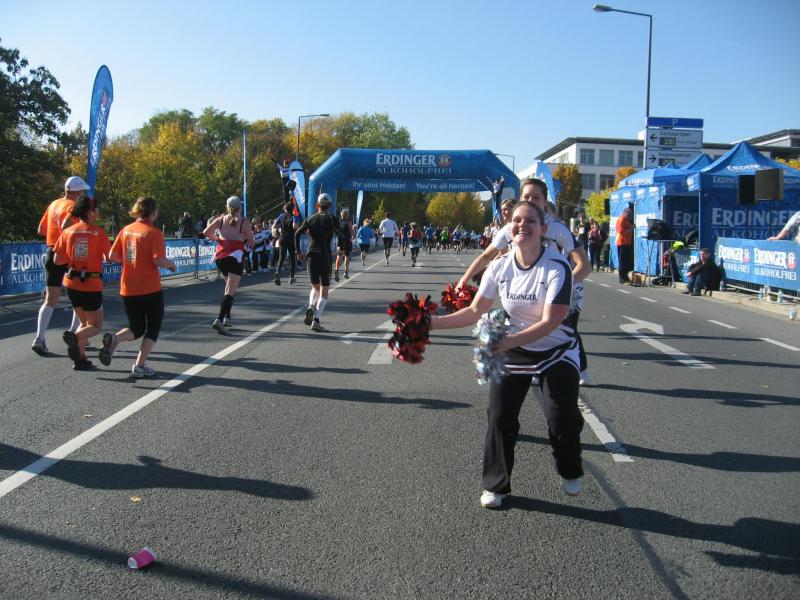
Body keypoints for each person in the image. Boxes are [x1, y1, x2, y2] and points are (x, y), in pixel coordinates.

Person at [431, 201, 583, 509]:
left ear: (543, 229)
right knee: (500, 415)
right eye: (516, 220)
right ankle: (496, 485)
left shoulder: (558, 266)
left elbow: (551, 321)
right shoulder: (500, 266)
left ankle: (568, 467)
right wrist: (430, 323)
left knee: (562, 417)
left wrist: (508, 342)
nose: (522, 225)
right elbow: (475, 311)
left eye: (530, 221)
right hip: (514, 349)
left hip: (557, 350)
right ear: (509, 228)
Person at [100, 196, 177, 377]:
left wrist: (130, 261)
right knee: (153, 327)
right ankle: (139, 365)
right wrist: (171, 265)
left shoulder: (126, 230)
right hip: (149, 288)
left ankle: (115, 339)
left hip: (128, 287)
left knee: (137, 327)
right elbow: (158, 260)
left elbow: (111, 255)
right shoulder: (154, 233)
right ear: (153, 213)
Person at [52, 196, 112, 370]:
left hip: (71, 282)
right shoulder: (98, 233)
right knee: (95, 326)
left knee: (85, 322)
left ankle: (80, 359)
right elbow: (110, 257)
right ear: (90, 211)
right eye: (97, 208)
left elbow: (57, 260)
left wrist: (75, 258)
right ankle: (75, 337)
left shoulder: (68, 232)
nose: (99, 211)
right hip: (91, 283)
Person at [31, 176, 88, 356]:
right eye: (83, 191)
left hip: (51, 252)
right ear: (77, 192)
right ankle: (75, 334)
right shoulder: (73, 206)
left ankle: (39, 338)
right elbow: (66, 225)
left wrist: (55, 236)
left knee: (50, 300)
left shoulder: (54, 204)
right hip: (68, 254)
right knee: (80, 298)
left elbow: (41, 229)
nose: (84, 194)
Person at [202, 196, 255, 334]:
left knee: (229, 288)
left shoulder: (221, 219)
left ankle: (227, 317)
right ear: (240, 208)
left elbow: (206, 232)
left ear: (227, 207)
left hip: (221, 257)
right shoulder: (244, 222)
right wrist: (246, 238)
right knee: (230, 290)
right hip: (235, 257)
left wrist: (218, 239)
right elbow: (251, 243)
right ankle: (219, 319)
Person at [295, 193, 343, 332]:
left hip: (311, 254)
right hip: (324, 255)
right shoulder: (331, 218)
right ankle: (316, 320)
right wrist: (341, 248)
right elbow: (341, 235)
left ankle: (311, 305)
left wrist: (298, 252)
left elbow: (297, 233)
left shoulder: (311, 218)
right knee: (324, 290)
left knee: (315, 287)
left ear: (318, 204)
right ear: (330, 205)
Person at [274, 202, 297, 285]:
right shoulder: (294, 216)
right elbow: (295, 226)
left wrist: (281, 226)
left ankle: (277, 271)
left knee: (281, 257)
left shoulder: (281, 216)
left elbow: (274, 226)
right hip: (291, 238)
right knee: (292, 258)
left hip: (282, 238)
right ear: (292, 209)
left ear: (285, 208)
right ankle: (292, 277)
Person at [334, 208, 355, 281]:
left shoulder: (339, 222)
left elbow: (336, 232)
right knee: (346, 256)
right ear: (347, 215)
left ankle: (336, 272)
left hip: (340, 241)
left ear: (341, 215)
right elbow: (351, 232)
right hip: (347, 241)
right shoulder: (349, 222)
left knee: (338, 257)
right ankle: (346, 272)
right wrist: (352, 236)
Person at [616, 206, 634, 283]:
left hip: (626, 242)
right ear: (626, 213)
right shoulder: (622, 219)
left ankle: (625, 276)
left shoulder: (626, 219)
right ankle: (622, 278)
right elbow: (621, 231)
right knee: (622, 261)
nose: (630, 215)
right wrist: (631, 229)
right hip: (622, 242)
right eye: (629, 214)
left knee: (626, 261)